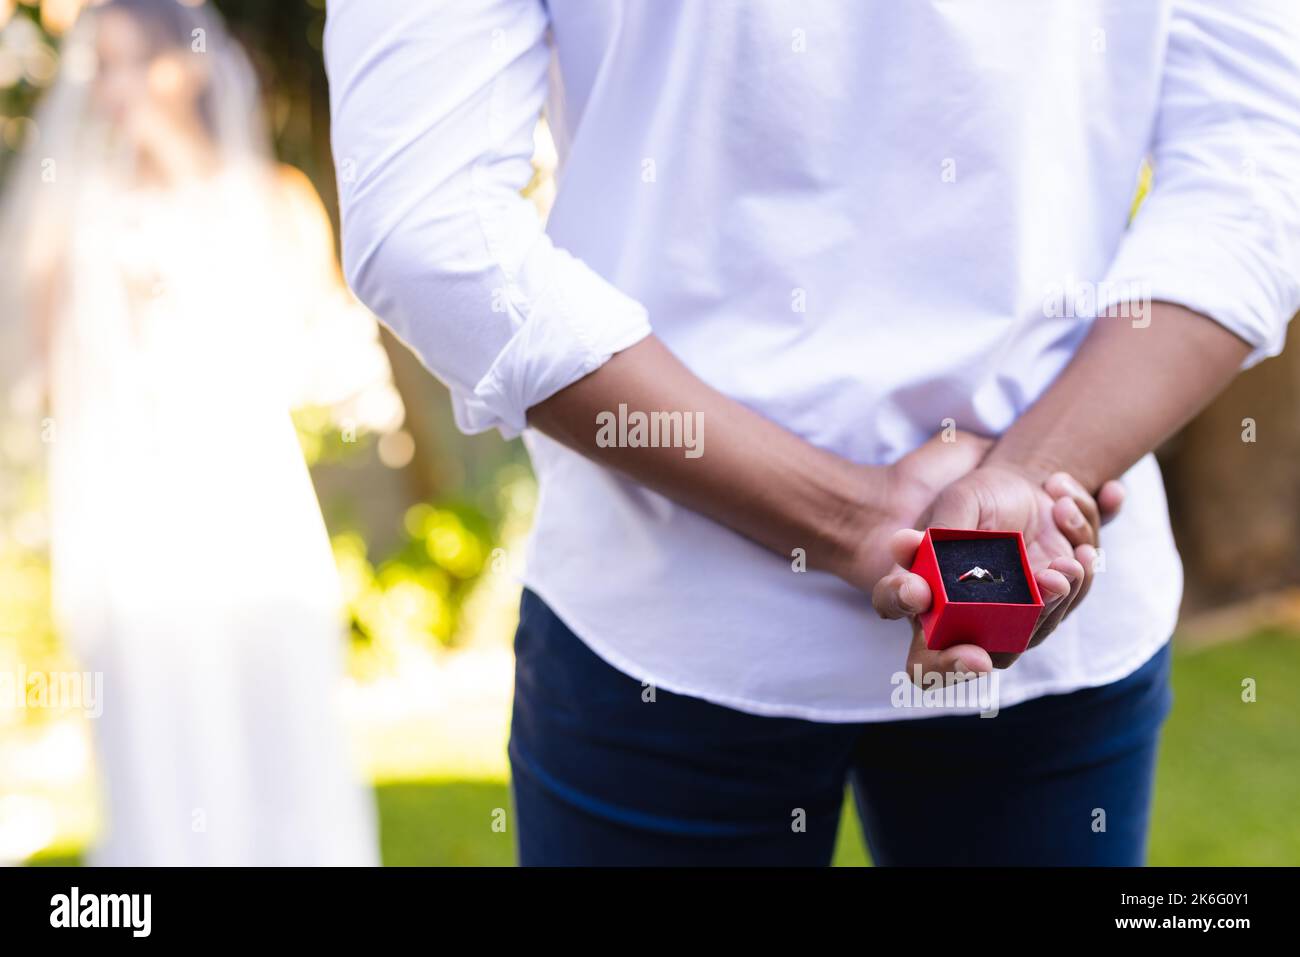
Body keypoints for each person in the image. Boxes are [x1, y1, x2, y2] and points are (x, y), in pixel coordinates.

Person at [324, 0, 1300, 865]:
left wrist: (878, 522)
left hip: (686, 598)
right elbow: (1260, 171)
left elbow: (430, 228)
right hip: (1008, 572)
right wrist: (1017, 487)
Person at [0, 0, 381, 865]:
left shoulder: (270, 199)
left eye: (135, 63)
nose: (115, 89)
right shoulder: (81, 228)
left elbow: (307, 338)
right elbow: (48, 378)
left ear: (194, 66)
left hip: (247, 501)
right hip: (132, 511)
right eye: (102, 69)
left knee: (275, 713)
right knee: (156, 727)